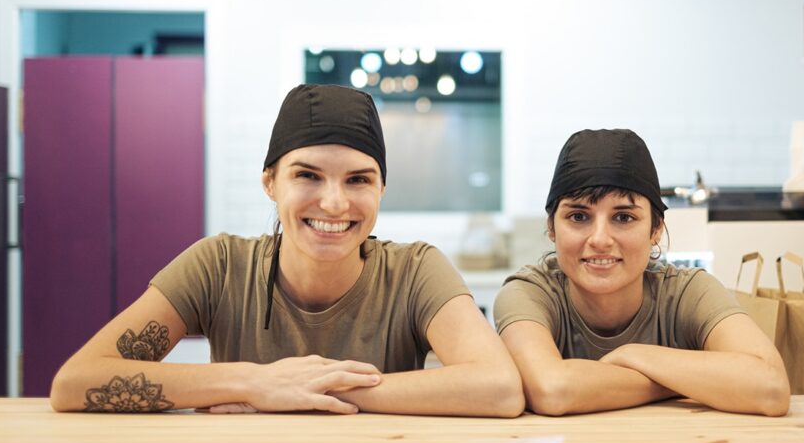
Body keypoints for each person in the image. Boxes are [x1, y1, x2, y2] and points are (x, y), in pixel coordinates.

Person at [50, 84, 524, 417]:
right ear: (270, 183)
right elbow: (75, 382)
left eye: (358, 179)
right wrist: (255, 383)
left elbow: (500, 388)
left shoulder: (417, 270)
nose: (334, 202)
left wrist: (313, 391)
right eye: (308, 175)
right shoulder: (218, 266)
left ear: (381, 190)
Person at [493, 129, 790, 417]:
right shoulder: (528, 294)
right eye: (578, 216)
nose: (599, 239)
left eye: (623, 217)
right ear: (551, 228)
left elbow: (772, 388)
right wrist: (677, 381)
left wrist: (634, 354)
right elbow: (552, 390)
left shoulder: (687, 292)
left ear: (655, 229)